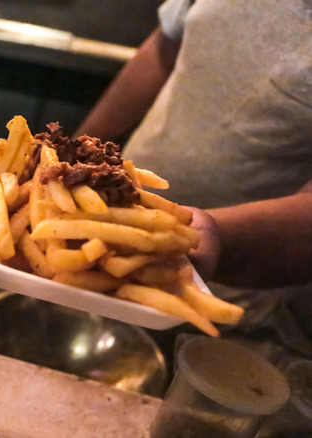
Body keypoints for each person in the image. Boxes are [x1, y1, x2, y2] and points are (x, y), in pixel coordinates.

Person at [76, 0, 312, 352]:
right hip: (93, 240)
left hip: (220, 290)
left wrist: (202, 235)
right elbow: (166, 46)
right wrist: (79, 149)